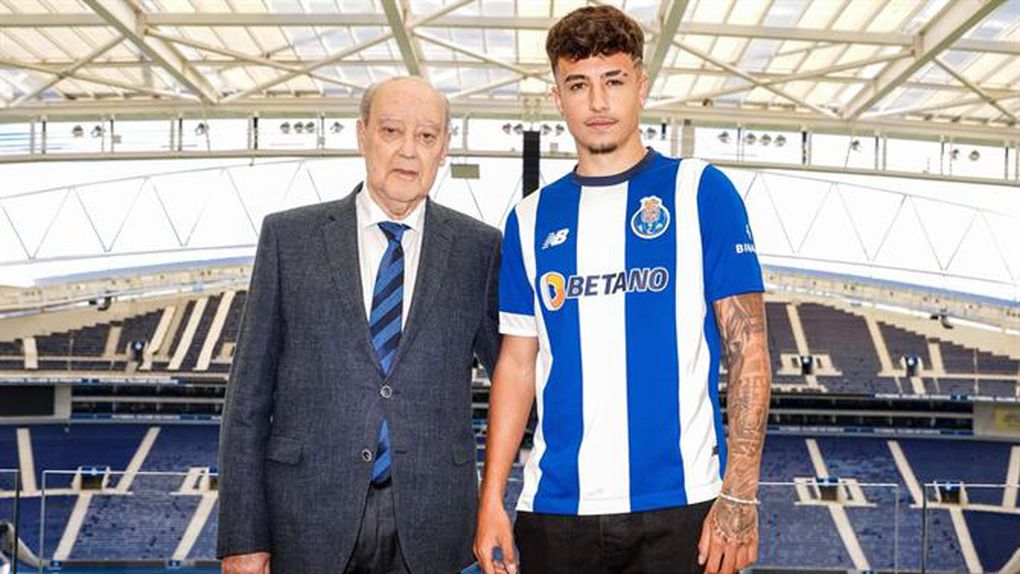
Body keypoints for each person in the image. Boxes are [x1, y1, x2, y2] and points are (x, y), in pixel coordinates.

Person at [474, 6, 771, 574]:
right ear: (558, 98)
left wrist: (740, 494)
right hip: (556, 510)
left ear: (641, 85)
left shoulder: (700, 191)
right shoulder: (530, 219)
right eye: (578, 85)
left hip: (682, 507)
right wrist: (492, 500)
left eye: (613, 80)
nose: (598, 102)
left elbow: (749, 348)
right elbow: (516, 364)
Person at [217, 76, 502, 574]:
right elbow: (246, 402)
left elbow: (516, 377)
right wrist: (243, 538)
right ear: (362, 134)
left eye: (426, 136)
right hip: (306, 519)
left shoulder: (480, 248)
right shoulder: (289, 238)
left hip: (434, 524)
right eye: (392, 131)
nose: (409, 151)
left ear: (444, 148)